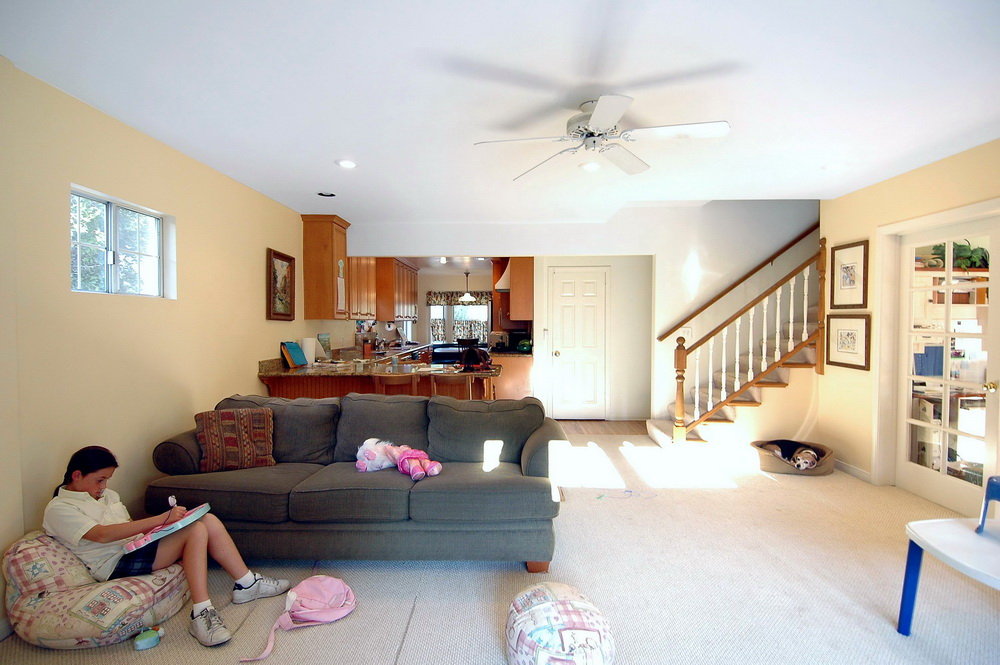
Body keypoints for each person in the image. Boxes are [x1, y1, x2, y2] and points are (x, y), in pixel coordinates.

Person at [43, 445, 290, 647]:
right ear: (77, 475)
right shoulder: (60, 508)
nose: (103, 487)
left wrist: (160, 529)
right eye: (100, 480)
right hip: (115, 563)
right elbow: (102, 535)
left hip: (136, 547)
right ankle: (201, 612)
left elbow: (127, 526)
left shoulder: (108, 496)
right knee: (196, 530)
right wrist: (161, 519)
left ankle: (247, 583)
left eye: (107, 480)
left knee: (207, 520)